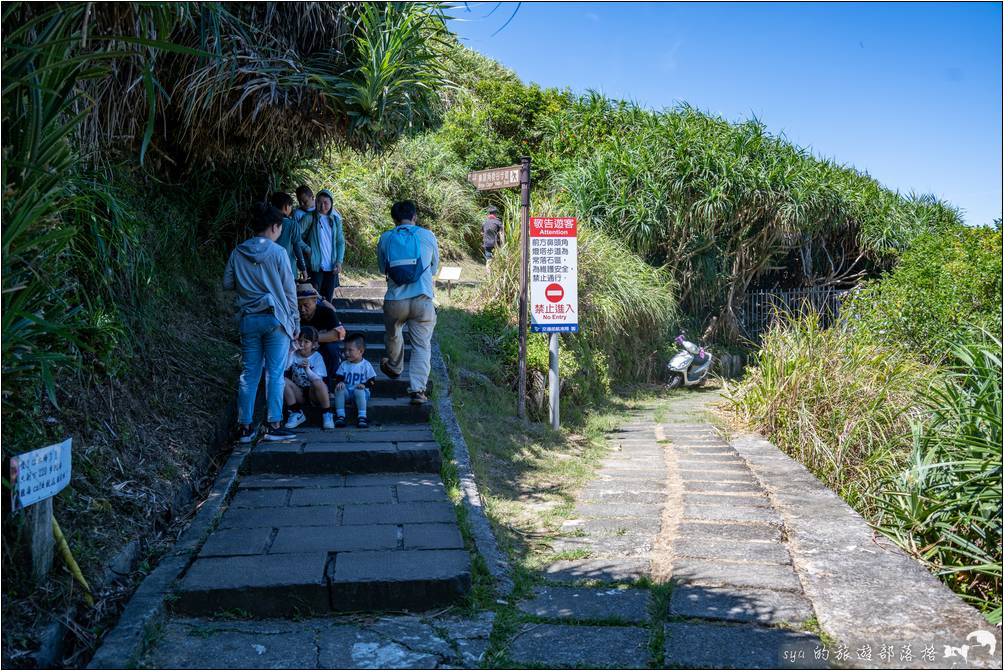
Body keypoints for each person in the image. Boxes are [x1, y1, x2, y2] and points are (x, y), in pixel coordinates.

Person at [222, 203, 299, 443]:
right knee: (275, 373)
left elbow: (227, 283)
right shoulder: (278, 253)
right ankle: (274, 424)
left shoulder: (238, 252)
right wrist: (295, 320)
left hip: (249, 318)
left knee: (249, 372)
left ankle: (244, 427)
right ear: (275, 227)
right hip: (275, 318)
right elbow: (289, 290)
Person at [377, 200, 439, 405]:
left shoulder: (386, 237)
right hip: (422, 299)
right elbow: (434, 268)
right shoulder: (427, 235)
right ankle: (418, 390)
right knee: (422, 346)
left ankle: (395, 366)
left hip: (395, 300)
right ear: (415, 217)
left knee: (394, 334)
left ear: (394, 219)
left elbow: (381, 268)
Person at [283, 326, 335, 430]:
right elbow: (286, 367)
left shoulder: (317, 357)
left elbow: (318, 379)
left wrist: (307, 370)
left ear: (314, 344)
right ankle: (296, 412)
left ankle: (327, 413)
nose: (302, 344)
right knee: (282, 380)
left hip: (314, 394)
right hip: (299, 393)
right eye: (300, 341)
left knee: (318, 383)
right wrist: (291, 351)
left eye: (306, 342)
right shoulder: (294, 355)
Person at [296, 283, 346, 386]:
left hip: (322, 347)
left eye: (306, 305)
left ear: (315, 301)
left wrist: (312, 338)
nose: (302, 309)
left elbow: (338, 334)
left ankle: (328, 385)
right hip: (300, 347)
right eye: (299, 306)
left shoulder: (326, 312)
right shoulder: (294, 314)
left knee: (331, 349)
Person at [300, 188, 345, 303]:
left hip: (332, 267)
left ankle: (326, 320)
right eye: (319, 202)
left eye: (326, 202)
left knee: (328, 299)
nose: (322, 205)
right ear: (315, 202)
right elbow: (295, 236)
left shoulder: (335, 220)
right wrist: (307, 249)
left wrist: (339, 261)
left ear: (331, 203)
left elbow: (340, 242)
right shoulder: (309, 217)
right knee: (314, 299)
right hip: (315, 266)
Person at [333, 333, 377, 428]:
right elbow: (339, 376)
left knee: (359, 390)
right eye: (345, 350)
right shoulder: (344, 364)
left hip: (362, 394)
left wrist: (365, 385)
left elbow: (372, 380)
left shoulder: (366, 365)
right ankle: (340, 416)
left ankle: (362, 417)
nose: (346, 353)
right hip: (348, 393)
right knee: (339, 389)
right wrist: (340, 382)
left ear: (361, 351)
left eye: (350, 350)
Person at [270, 191, 308, 281]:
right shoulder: (292, 225)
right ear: (286, 207)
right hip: (288, 269)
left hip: (269, 269)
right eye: (291, 206)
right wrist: (303, 269)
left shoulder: (267, 223)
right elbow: (297, 248)